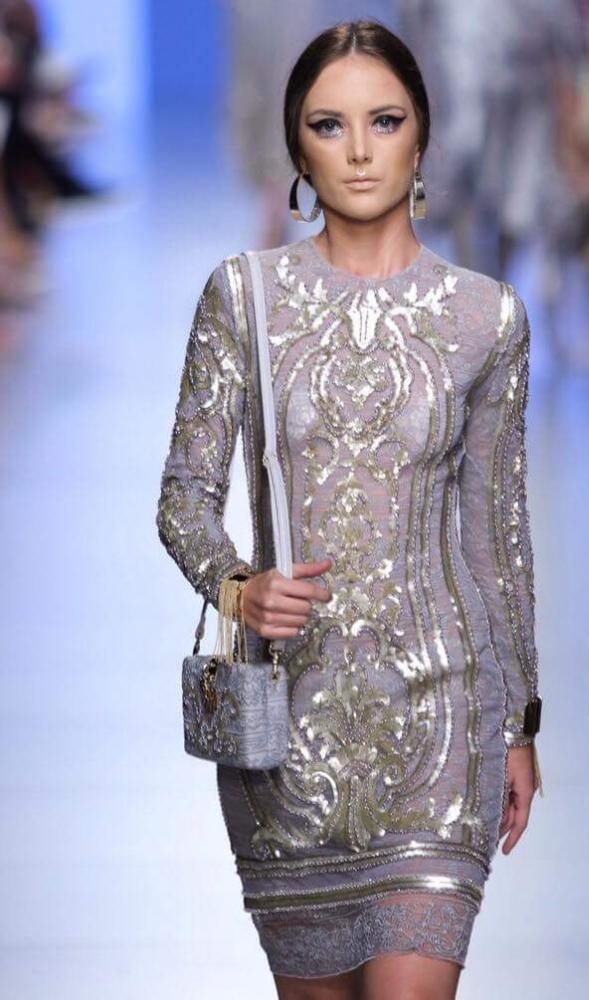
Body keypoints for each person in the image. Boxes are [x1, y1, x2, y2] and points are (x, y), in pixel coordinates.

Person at [156, 19, 543, 1000]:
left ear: (422, 137)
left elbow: (495, 537)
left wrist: (519, 722)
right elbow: (184, 496)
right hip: (289, 733)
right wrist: (236, 587)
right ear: (298, 148)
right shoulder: (243, 297)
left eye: (385, 121)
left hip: (441, 722)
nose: (360, 150)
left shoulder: (486, 317)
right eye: (330, 125)